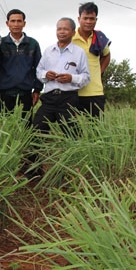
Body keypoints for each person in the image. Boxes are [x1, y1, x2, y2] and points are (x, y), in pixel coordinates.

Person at [23, 18, 90, 180]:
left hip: (68, 99)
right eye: (59, 28)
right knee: (36, 131)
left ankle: (72, 172)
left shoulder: (79, 52)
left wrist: (71, 78)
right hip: (49, 99)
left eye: (65, 29)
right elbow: (38, 72)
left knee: (72, 135)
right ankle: (33, 171)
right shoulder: (49, 51)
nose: (61, 32)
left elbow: (86, 77)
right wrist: (46, 75)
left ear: (73, 32)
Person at [0, 9, 43, 117]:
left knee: (26, 125)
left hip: (26, 92)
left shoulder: (33, 44)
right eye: (13, 21)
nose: (16, 24)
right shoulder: (0, 43)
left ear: (24, 23)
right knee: (4, 126)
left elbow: (39, 67)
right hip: (4, 93)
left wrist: (37, 90)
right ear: (7, 23)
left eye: (19, 21)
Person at [72, 2, 111, 118]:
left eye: (92, 19)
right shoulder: (70, 38)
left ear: (96, 20)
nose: (88, 22)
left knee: (96, 130)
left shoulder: (99, 38)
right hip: (74, 92)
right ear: (79, 19)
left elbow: (107, 55)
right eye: (85, 18)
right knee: (73, 131)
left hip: (95, 92)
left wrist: (99, 72)